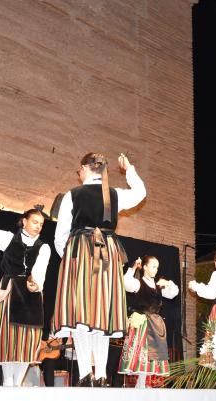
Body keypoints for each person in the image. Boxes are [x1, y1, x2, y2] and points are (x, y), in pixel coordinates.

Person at [52, 152, 146, 387]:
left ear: (85, 167)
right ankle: (101, 374)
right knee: (103, 312)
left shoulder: (72, 195)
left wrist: (70, 259)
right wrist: (129, 169)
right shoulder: (115, 194)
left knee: (82, 315)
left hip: (80, 253)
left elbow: (61, 235)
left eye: (79, 170)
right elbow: (141, 193)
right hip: (107, 253)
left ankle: (85, 373)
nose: (79, 174)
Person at [0, 209, 50, 386]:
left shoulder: (44, 247)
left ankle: (17, 384)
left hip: (31, 296)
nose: (38, 226)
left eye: (41, 224)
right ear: (24, 221)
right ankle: (7, 382)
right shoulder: (9, 239)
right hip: (9, 291)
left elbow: (40, 272)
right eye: (35, 222)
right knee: (8, 340)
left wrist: (35, 284)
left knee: (25, 342)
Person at [120, 256, 179, 388]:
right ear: (145, 267)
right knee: (143, 356)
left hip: (156, 325)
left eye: (157, 267)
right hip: (143, 323)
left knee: (152, 359)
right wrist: (133, 267)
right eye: (153, 266)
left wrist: (168, 282)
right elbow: (124, 282)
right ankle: (140, 387)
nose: (156, 270)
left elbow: (174, 293)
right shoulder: (138, 283)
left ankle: (145, 386)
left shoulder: (158, 287)